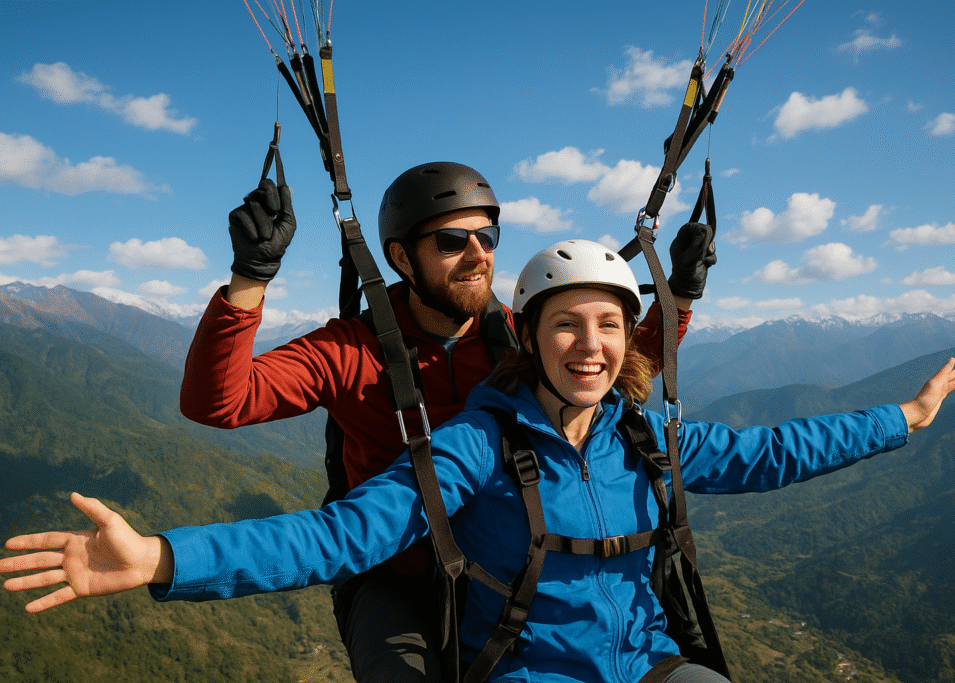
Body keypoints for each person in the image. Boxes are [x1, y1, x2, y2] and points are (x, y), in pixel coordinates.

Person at [2, 239, 955, 683]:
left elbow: (775, 451)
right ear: (530, 337)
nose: (588, 346)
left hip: (642, 662)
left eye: (607, 327)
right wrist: (165, 558)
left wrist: (904, 419)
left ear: (628, 344)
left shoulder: (645, 437)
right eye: (565, 326)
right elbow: (341, 533)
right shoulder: (474, 443)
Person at [179, 162, 710, 681]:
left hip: (501, 567)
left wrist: (679, 292)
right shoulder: (352, 350)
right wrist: (250, 277)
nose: (479, 255)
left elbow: (605, 372)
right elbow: (219, 401)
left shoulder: (516, 337)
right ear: (402, 258)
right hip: (393, 572)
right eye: (452, 241)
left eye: (488, 236)